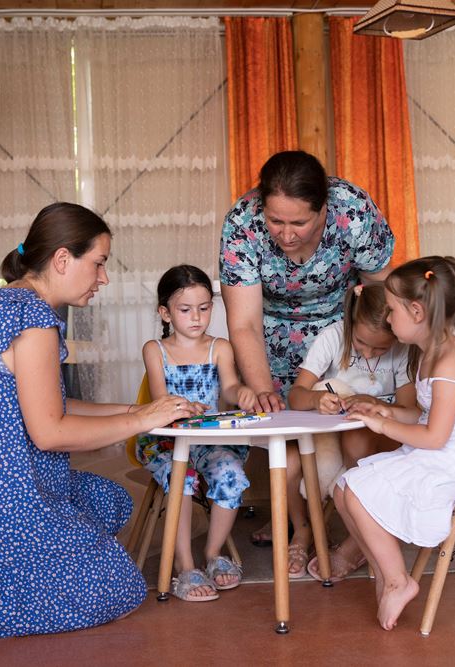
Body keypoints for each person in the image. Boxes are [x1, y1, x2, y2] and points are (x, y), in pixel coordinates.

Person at [0, 203, 201, 639]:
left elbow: (52, 402)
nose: (103, 278)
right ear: (63, 259)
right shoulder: (34, 320)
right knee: (122, 591)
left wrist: (139, 411)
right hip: (7, 508)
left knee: (111, 501)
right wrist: (141, 421)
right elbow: (50, 433)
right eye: (99, 263)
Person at [219, 149, 395, 551]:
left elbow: (383, 294)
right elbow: (243, 323)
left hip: (347, 331)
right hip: (272, 334)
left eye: (299, 222)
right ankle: (298, 523)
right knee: (288, 432)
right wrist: (263, 389)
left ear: (323, 209)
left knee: (353, 425)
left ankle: (357, 517)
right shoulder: (242, 224)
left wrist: (375, 347)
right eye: (275, 220)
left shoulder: (352, 210)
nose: (285, 233)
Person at [335, 256, 455, 631]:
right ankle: (385, 572)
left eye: (393, 310)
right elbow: (426, 419)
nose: (388, 319)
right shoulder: (431, 354)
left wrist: (380, 425)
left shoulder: (449, 363)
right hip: (440, 447)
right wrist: (383, 410)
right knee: (342, 487)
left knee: (360, 492)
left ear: (416, 310)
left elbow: (435, 436)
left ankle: (399, 580)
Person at [136, 265, 257, 602]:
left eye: (204, 309)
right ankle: (184, 562)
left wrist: (241, 393)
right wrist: (182, 406)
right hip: (165, 442)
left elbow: (230, 386)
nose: (196, 318)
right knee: (183, 477)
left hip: (208, 439)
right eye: (185, 310)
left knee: (230, 473)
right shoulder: (155, 350)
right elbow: (160, 398)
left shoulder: (219, 347)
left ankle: (214, 552)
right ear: (165, 312)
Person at [285, 283, 415, 579]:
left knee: (357, 437)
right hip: (331, 442)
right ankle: (303, 531)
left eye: (381, 348)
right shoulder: (332, 337)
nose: (369, 354)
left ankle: (358, 541)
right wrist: (318, 398)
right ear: (350, 323)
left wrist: (372, 403)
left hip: (379, 440)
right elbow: (296, 396)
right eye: (361, 342)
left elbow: (410, 410)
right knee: (289, 462)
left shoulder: (403, 349)